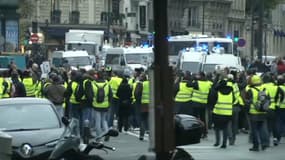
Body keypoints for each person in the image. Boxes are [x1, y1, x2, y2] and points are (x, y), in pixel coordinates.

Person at [245, 75, 270, 151]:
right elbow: (269, 100)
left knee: (254, 130)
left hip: (254, 112)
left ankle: (256, 146)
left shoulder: (250, 90)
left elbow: (247, 101)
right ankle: (264, 144)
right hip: (263, 112)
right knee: (263, 128)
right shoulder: (265, 89)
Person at [209, 79, 234, 149]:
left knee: (217, 128)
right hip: (228, 113)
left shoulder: (217, 92)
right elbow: (234, 100)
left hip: (218, 112)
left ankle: (217, 142)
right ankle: (224, 143)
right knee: (225, 129)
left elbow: (212, 101)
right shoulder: (231, 92)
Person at [92, 71, 112, 140]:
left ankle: (99, 136)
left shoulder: (93, 84)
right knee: (104, 120)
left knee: (98, 121)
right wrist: (109, 103)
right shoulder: (107, 84)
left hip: (96, 105)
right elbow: (110, 95)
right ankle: (106, 132)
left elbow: (91, 95)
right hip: (105, 105)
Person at [134, 73, 150, 141]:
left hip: (143, 104)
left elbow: (136, 93)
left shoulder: (141, 84)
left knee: (143, 120)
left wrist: (138, 101)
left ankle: (141, 135)